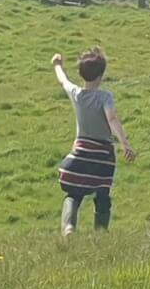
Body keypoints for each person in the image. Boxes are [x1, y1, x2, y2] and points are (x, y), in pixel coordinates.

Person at [51, 46, 137, 236]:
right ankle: (100, 233)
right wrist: (125, 143)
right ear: (101, 75)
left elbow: (63, 80)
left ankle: (68, 227)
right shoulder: (105, 97)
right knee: (102, 195)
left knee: (73, 194)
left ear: (81, 74)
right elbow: (112, 119)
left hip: (81, 152)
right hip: (102, 157)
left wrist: (57, 64)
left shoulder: (76, 94)